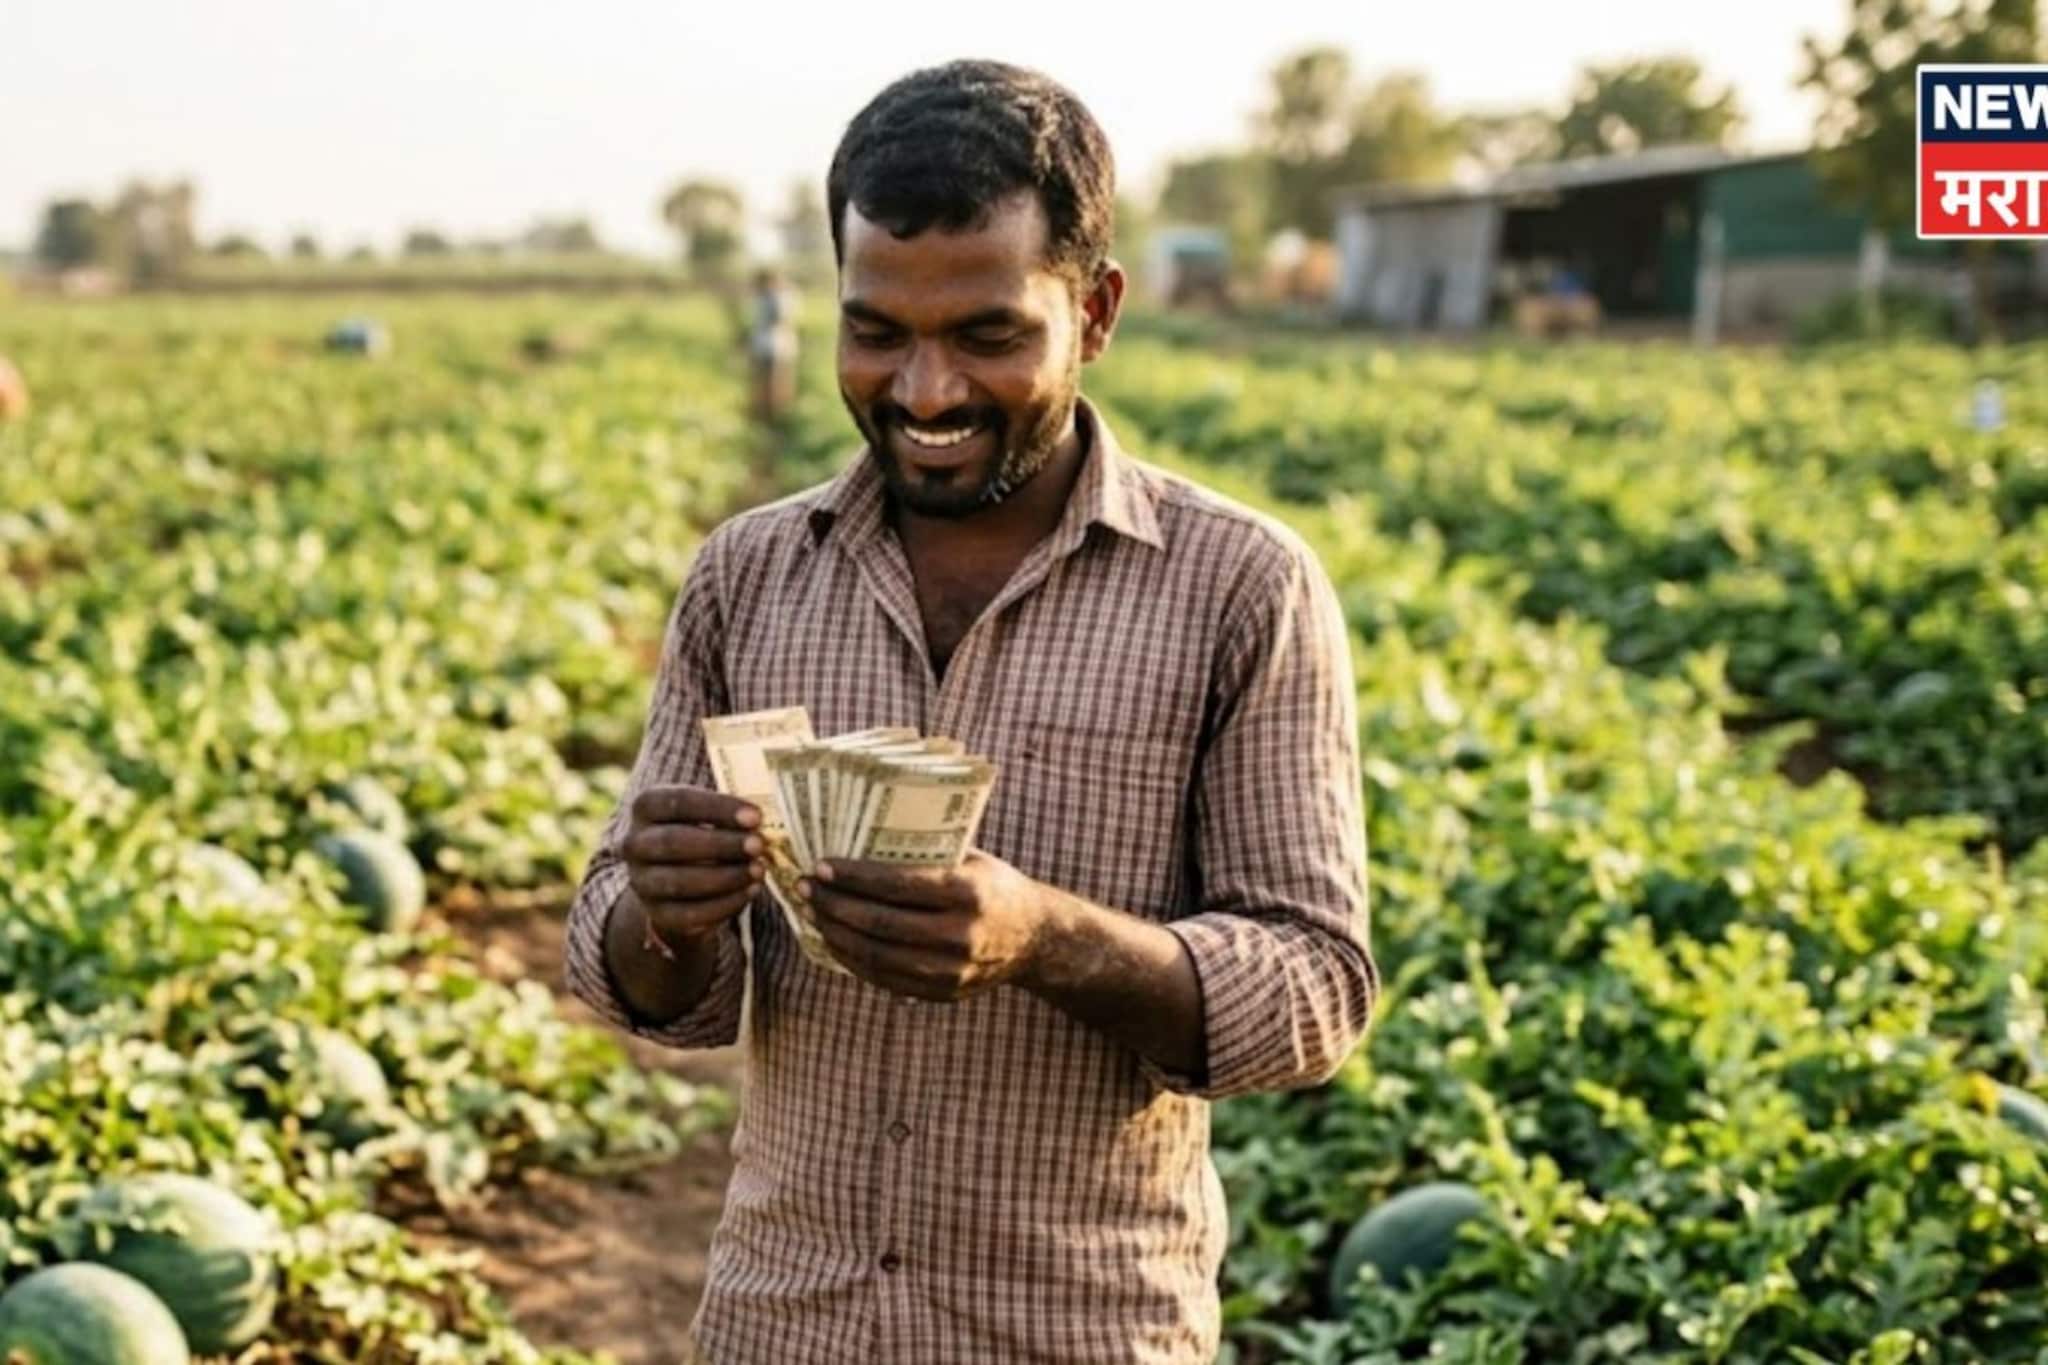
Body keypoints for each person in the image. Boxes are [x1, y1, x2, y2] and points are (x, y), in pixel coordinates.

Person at [563, 59, 1377, 1365]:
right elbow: (661, 991)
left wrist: (1048, 940)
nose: (925, 392)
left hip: (1077, 1332)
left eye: (989, 336)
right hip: (785, 1322)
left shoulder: (1242, 590)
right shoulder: (746, 575)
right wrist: (661, 911)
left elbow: (1315, 988)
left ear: (1095, 310)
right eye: (877, 331)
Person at [745, 265, 799, 423]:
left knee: (773, 381)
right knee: (768, 382)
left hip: (775, 346)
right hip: (771, 346)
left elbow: (782, 318)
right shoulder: (772, 297)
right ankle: (769, 415)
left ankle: (774, 415)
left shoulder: (777, 297)